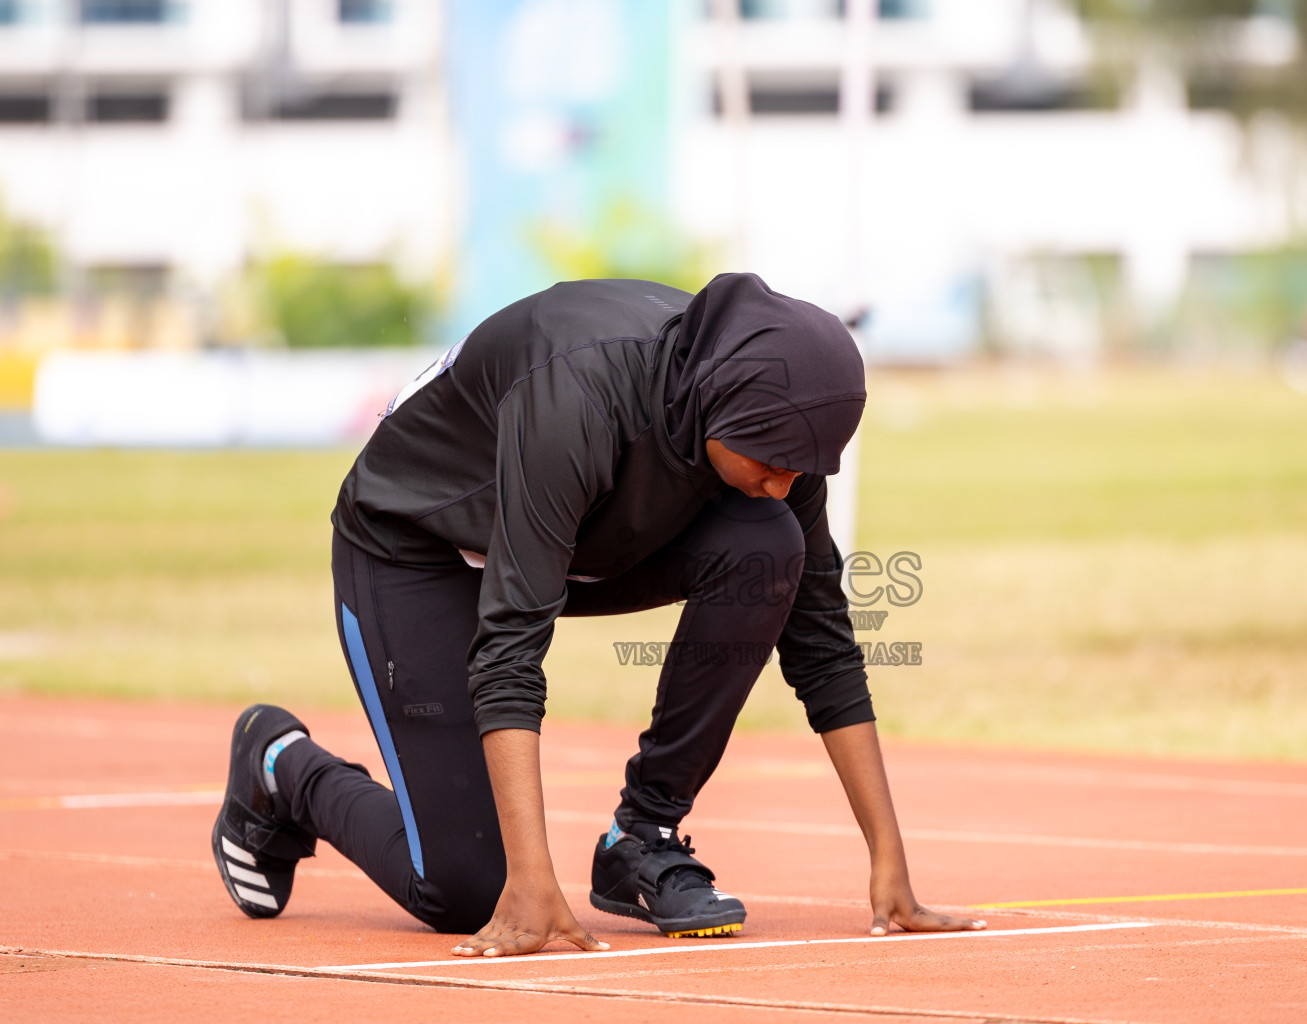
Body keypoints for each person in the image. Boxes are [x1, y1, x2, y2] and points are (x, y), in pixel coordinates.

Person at [211, 272, 984, 955]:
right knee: (467, 892)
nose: (787, 482)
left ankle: (641, 837)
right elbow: (512, 641)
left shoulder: (775, 419)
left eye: (802, 468)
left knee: (767, 546)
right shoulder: (578, 392)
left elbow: (821, 638)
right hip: (413, 548)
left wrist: (889, 857)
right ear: (724, 406)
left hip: (580, 539)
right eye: (773, 463)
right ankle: (283, 766)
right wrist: (532, 877)